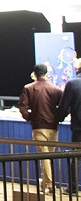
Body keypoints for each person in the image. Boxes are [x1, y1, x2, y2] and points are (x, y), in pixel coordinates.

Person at [19, 62, 63, 194]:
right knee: (48, 155)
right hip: (53, 126)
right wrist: (58, 118)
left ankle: (50, 185)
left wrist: (30, 117)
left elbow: (23, 106)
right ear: (47, 74)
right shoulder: (56, 89)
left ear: (34, 74)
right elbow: (62, 107)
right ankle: (44, 184)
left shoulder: (28, 88)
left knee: (44, 156)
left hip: (38, 126)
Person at [56, 57, 81, 191]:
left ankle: (72, 187)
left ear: (76, 69)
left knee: (76, 159)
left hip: (78, 130)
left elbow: (63, 108)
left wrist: (57, 117)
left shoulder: (72, 83)